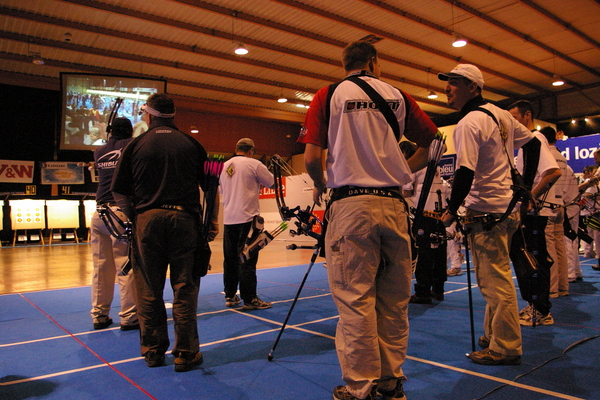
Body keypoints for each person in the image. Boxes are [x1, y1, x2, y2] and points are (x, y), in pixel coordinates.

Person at [300, 40, 437, 400]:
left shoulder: (328, 95)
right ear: (375, 62)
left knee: (356, 300)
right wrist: (400, 169)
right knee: (393, 301)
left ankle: (360, 387)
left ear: (344, 64)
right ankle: (391, 383)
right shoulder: (399, 96)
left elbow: (311, 158)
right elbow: (435, 143)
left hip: (351, 207)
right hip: (393, 205)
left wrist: (321, 184)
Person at [438, 64, 540, 366]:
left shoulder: (470, 122)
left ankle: (506, 347)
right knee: (494, 276)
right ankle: (493, 335)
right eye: (447, 82)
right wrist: (524, 187)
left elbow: (465, 171)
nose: (447, 88)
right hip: (506, 209)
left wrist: (451, 210)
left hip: (486, 210)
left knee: (495, 283)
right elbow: (533, 144)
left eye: (454, 82)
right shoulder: (501, 114)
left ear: (473, 87)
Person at [111, 93, 208, 372]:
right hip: (185, 220)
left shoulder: (135, 144)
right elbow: (211, 187)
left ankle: (153, 352)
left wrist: (137, 216)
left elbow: (119, 190)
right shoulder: (192, 144)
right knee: (185, 288)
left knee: (148, 289)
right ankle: (186, 353)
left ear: (148, 115)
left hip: (147, 220)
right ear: (173, 115)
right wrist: (207, 225)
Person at [508, 101, 561, 325]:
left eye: (515, 118)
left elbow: (553, 172)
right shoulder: (525, 144)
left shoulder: (535, 139)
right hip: (532, 213)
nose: (512, 124)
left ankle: (541, 310)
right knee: (529, 259)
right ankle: (536, 306)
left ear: (527, 115)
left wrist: (530, 198)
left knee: (534, 261)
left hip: (535, 214)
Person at [90, 117, 138, 331]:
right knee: (126, 265)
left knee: (101, 267)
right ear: (130, 131)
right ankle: (129, 316)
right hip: (119, 212)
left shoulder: (99, 151)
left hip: (99, 213)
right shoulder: (131, 146)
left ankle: (99, 314)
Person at [219, 138, 274, 310]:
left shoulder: (223, 166)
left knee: (230, 259)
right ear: (251, 151)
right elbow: (272, 182)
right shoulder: (253, 164)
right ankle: (250, 299)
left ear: (236, 149)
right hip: (247, 219)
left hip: (229, 219)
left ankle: (230, 295)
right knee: (247, 258)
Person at [410, 165, 448, 304]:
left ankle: (423, 292)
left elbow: (407, 190)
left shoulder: (417, 166)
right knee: (439, 255)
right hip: (439, 217)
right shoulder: (437, 168)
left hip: (425, 216)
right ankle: (438, 290)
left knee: (424, 255)